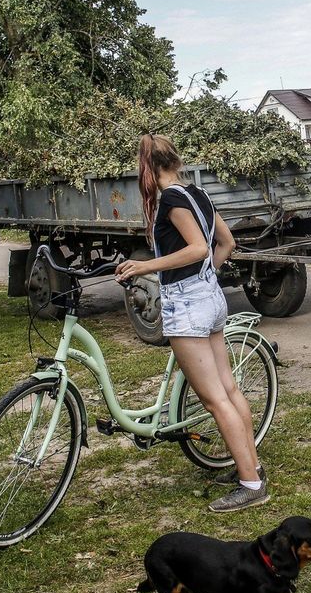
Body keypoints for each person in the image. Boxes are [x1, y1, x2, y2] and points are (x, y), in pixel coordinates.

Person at [114, 135, 269, 513]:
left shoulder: (170, 199)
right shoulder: (198, 192)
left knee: (215, 399)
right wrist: (204, 278)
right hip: (209, 297)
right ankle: (252, 469)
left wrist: (144, 266)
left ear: (147, 167)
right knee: (229, 390)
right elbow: (226, 243)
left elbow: (199, 247)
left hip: (187, 306)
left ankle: (251, 485)